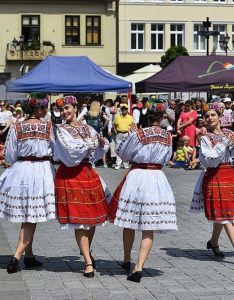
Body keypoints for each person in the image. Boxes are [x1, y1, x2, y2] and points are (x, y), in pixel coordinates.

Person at [108, 98, 178, 283]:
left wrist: (132, 135)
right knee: (148, 226)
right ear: (162, 116)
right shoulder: (167, 136)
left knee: (129, 220)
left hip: (138, 175)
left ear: (147, 115)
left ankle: (126, 259)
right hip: (156, 177)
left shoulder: (139, 134)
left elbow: (122, 154)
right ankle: (138, 267)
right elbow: (166, 159)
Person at [0, 92, 56, 273]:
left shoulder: (17, 126)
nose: (47, 110)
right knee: (32, 215)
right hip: (41, 170)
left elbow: (10, 154)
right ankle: (16, 256)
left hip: (22, 169)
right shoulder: (49, 127)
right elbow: (56, 152)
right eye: (45, 107)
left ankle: (29, 256)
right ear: (40, 109)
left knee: (29, 214)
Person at [190, 102, 234, 268]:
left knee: (224, 214)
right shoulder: (205, 138)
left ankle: (213, 242)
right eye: (207, 117)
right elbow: (209, 159)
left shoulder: (230, 133)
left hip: (232, 177)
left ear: (220, 116)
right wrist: (225, 143)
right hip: (215, 178)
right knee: (228, 216)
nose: (210, 118)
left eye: (213, 115)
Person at [54, 95, 111, 278]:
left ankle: (85, 250)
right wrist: (92, 144)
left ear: (76, 108)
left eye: (67, 108)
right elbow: (71, 150)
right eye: (62, 110)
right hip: (71, 175)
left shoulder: (87, 127)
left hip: (87, 173)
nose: (64, 112)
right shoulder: (60, 129)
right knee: (79, 220)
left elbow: (98, 146)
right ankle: (87, 260)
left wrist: (101, 143)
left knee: (93, 218)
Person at [78, 100, 110, 168]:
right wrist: (103, 127)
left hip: (90, 132)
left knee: (91, 148)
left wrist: (85, 126)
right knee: (101, 146)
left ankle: (93, 163)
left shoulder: (88, 113)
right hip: (98, 131)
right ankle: (104, 164)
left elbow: (80, 119)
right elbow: (107, 119)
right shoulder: (100, 112)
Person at [113, 104, 135, 170]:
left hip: (127, 133)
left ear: (127, 109)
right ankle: (118, 164)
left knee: (126, 148)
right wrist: (115, 131)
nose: (124, 110)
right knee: (118, 148)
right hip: (119, 133)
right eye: (122, 109)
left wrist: (131, 132)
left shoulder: (130, 117)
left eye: (125, 109)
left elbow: (133, 125)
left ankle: (125, 163)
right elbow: (114, 124)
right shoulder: (117, 117)